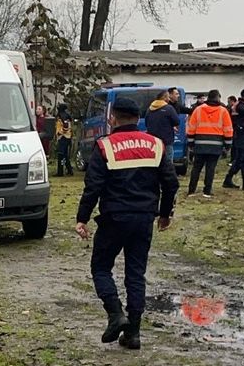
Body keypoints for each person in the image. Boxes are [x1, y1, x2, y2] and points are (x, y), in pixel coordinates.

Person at [76, 97, 179, 350]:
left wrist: (82, 218)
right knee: (135, 274)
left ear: (113, 118)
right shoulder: (155, 145)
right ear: (138, 118)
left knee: (101, 268)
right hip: (144, 218)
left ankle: (115, 314)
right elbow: (171, 182)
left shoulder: (104, 146)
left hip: (114, 218)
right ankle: (133, 333)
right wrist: (165, 213)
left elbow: (93, 187)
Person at [186, 90, 234, 198]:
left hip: (200, 143)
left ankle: (191, 190)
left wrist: (190, 143)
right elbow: (228, 129)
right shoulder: (223, 111)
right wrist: (228, 145)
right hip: (215, 145)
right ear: (218, 98)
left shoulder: (198, 110)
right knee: (210, 168)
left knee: (196, 168)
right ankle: (207, 191)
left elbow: (191, 127)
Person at [55, 103, 74, 176]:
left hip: (63, 137)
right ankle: (69, 170)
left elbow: (66, 126)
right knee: (65, 155)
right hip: (67, 137)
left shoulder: (63, 116)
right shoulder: (67, 115)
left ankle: (60, 172)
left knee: (61, 154)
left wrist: (61, 133)